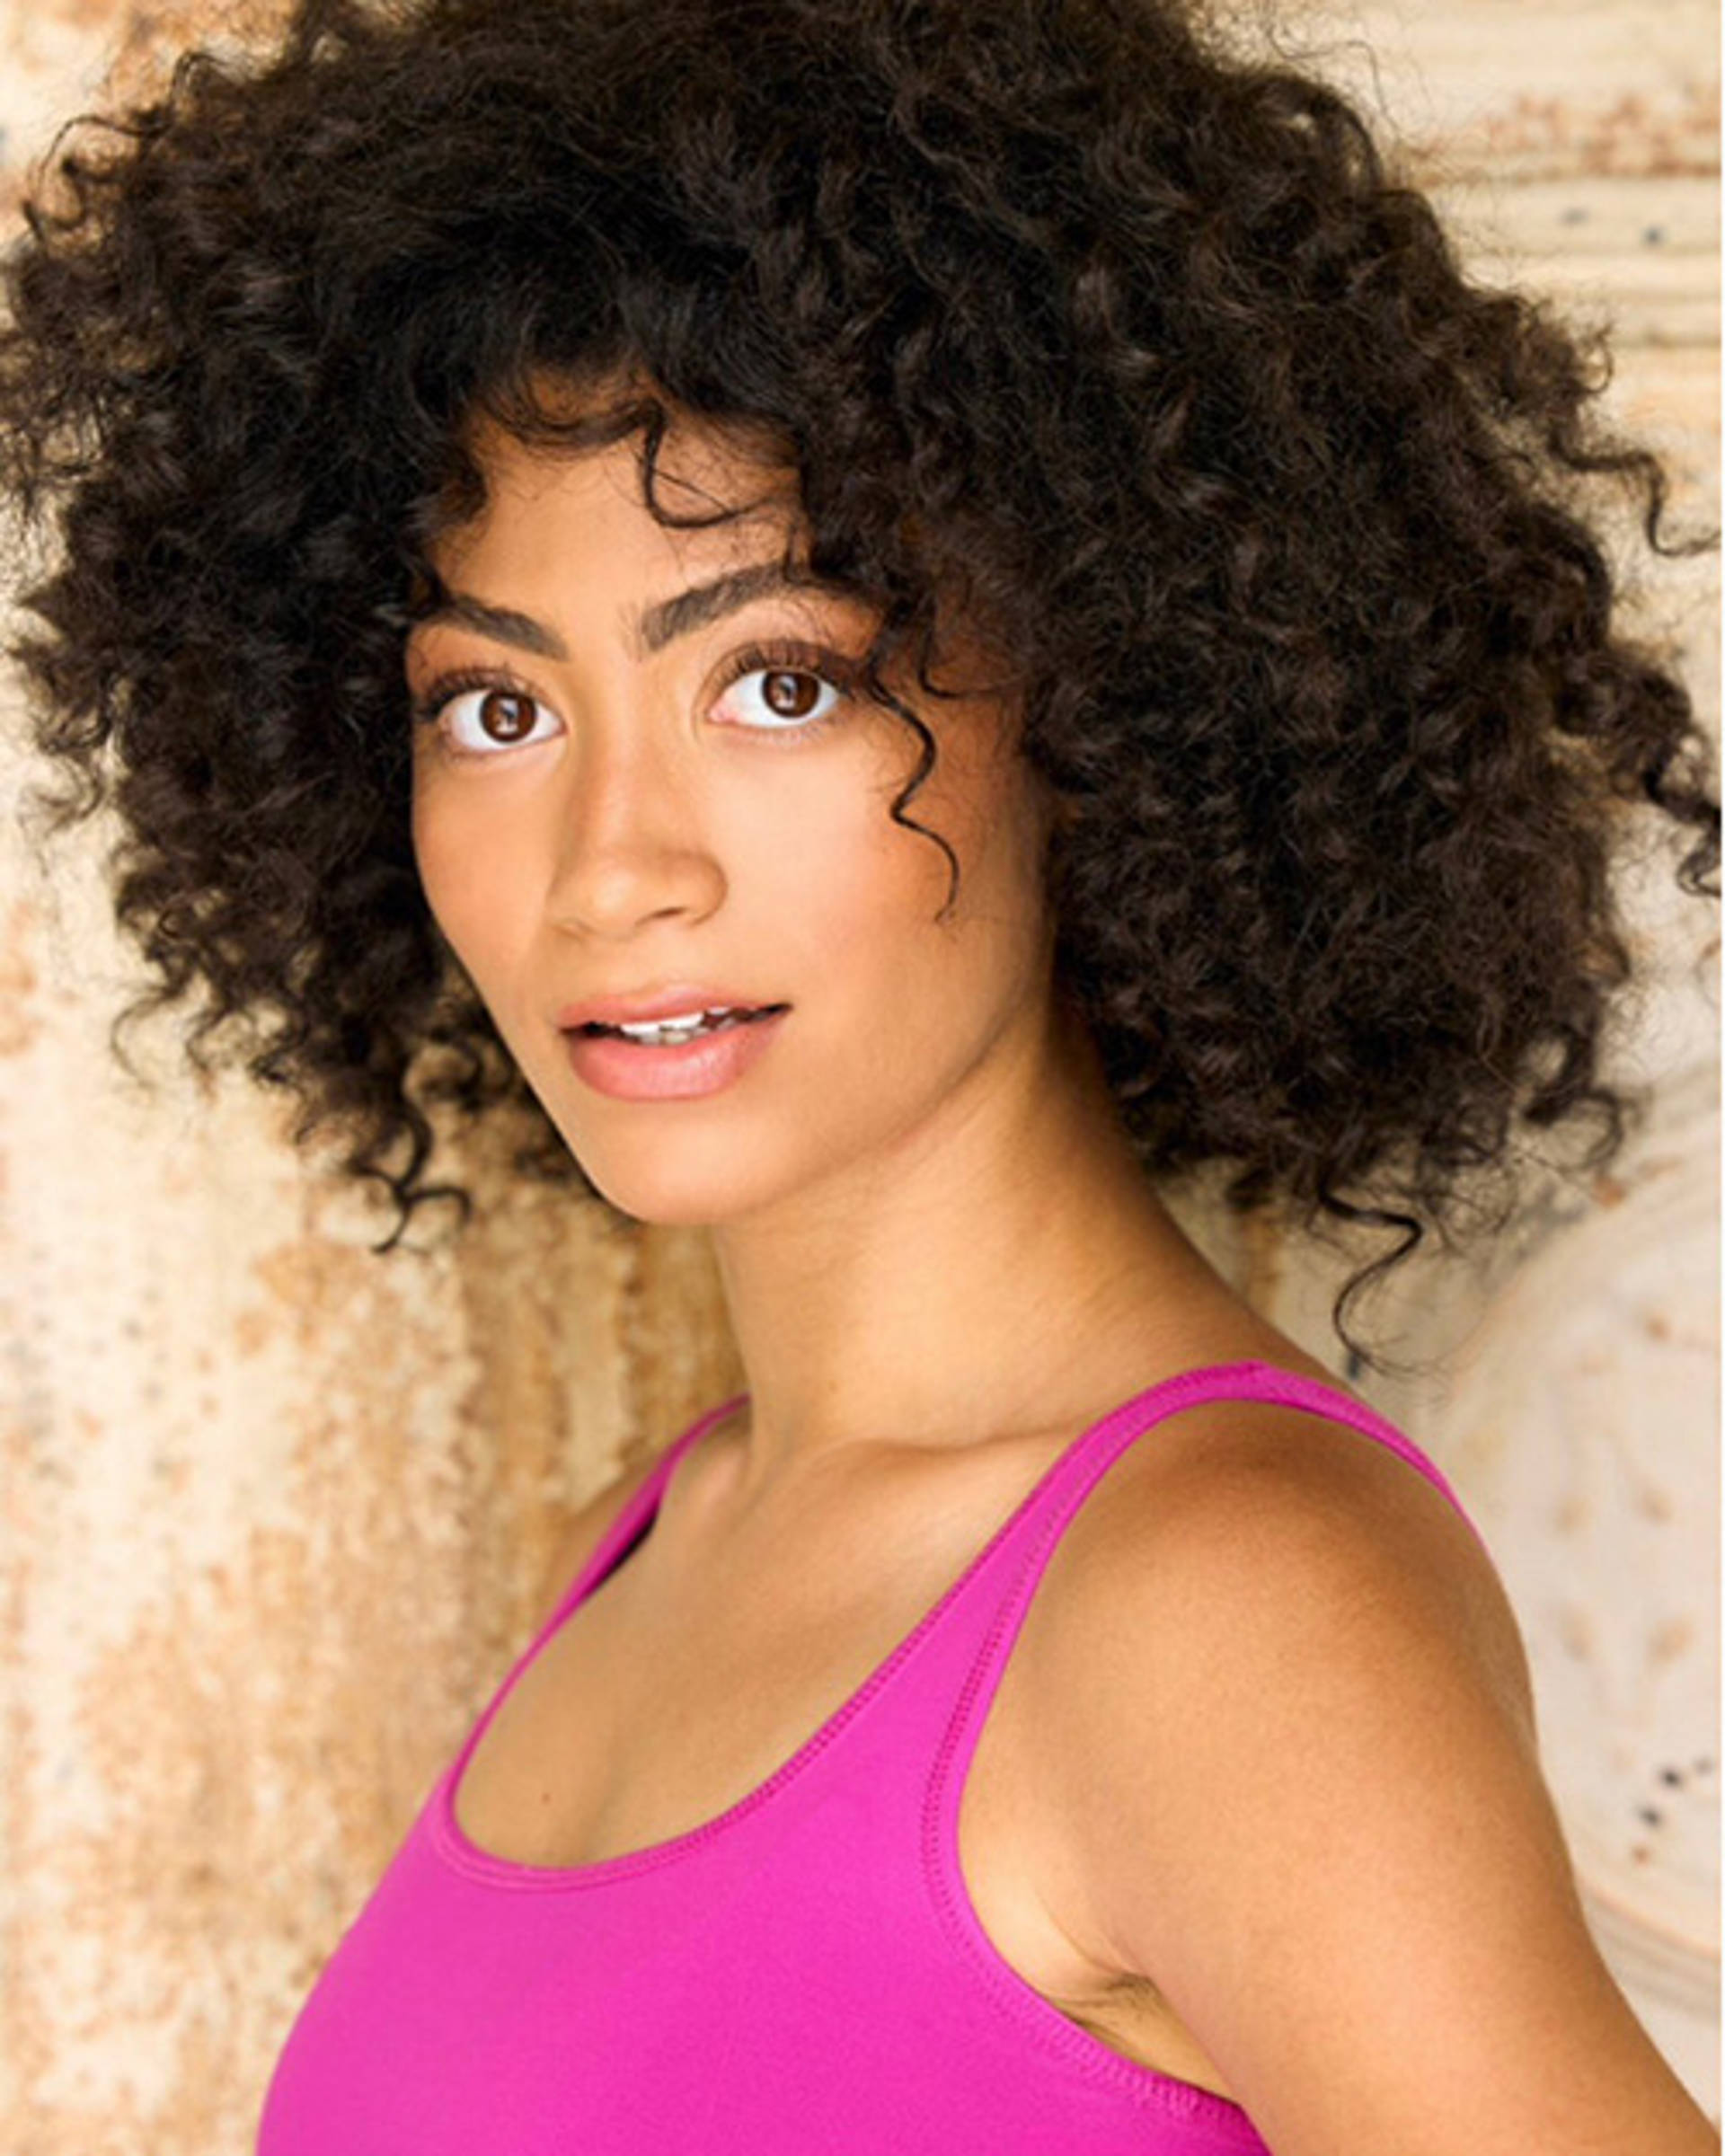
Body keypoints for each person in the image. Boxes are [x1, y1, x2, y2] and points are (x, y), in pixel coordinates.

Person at [1, 0, 1718, 2149]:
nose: (613, 868)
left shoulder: (1224, 1607)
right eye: (495, 712)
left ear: (1108, 701)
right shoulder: (672, 1540)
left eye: (781, 680)